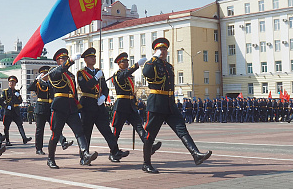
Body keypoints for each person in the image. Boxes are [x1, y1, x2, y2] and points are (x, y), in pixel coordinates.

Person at [141, 38, 212, 173]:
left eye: (164, 49)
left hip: (169, 104)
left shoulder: (169, 66)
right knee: (150, 134)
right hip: (156, 103)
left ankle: (195, 154)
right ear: (155, 51)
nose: (163, 51)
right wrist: (153, 58)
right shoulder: (152, 64)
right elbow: (146, 72)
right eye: (159, 49)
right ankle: (146, 163)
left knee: (182, 129)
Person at [46, 48, 98, 169]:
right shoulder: (53, 71)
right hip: (59, 107)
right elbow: (57, 73)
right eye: (62, 58)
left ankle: (85, 153)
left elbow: (74, 93)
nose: (65, 60)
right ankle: (50, 159)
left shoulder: (70, 75)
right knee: (55, 134)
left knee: (80, 132)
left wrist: (78, 108)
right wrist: (69, 61)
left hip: (71, 107)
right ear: (58, 61)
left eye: (66, 58)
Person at [77, 48, 129, 163]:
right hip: (87, 104)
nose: (94, 59)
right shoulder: (81, 73)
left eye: (94, 57)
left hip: (99, 105)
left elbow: (105, 88)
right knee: (86, 132)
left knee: (106, 130)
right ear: (85, 59)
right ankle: (84, 157)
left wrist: (104, 97)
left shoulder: (99, 71)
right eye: (91, 57)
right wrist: (96, 78)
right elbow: (85, 87)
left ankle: (115, 151)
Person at [110, 52, 161, 154]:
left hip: (130, 106)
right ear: (119, 63)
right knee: (117, 131)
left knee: (139, 127)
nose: (127, 63)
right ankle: (113, 152)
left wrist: (135, 102)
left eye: (127, 61)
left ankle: (149, 146)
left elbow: (131, 90)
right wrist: (137, 65)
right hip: (121, 106)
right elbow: (124, 74)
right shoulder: (117, 75)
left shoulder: (129, 77)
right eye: (124, 62)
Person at [0, 76, 32, 146]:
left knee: (20, 125)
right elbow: (1, 101)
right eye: (10, 82)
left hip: (15, 111)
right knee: (6, 126)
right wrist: (6, 106)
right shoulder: (5, 92)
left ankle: (24, 138)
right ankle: (7, 141)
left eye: (13, 82)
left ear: (15, 83)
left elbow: (20, 101)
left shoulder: (17, 92)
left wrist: (18, 96)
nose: (11, 83)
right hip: (8, 111)